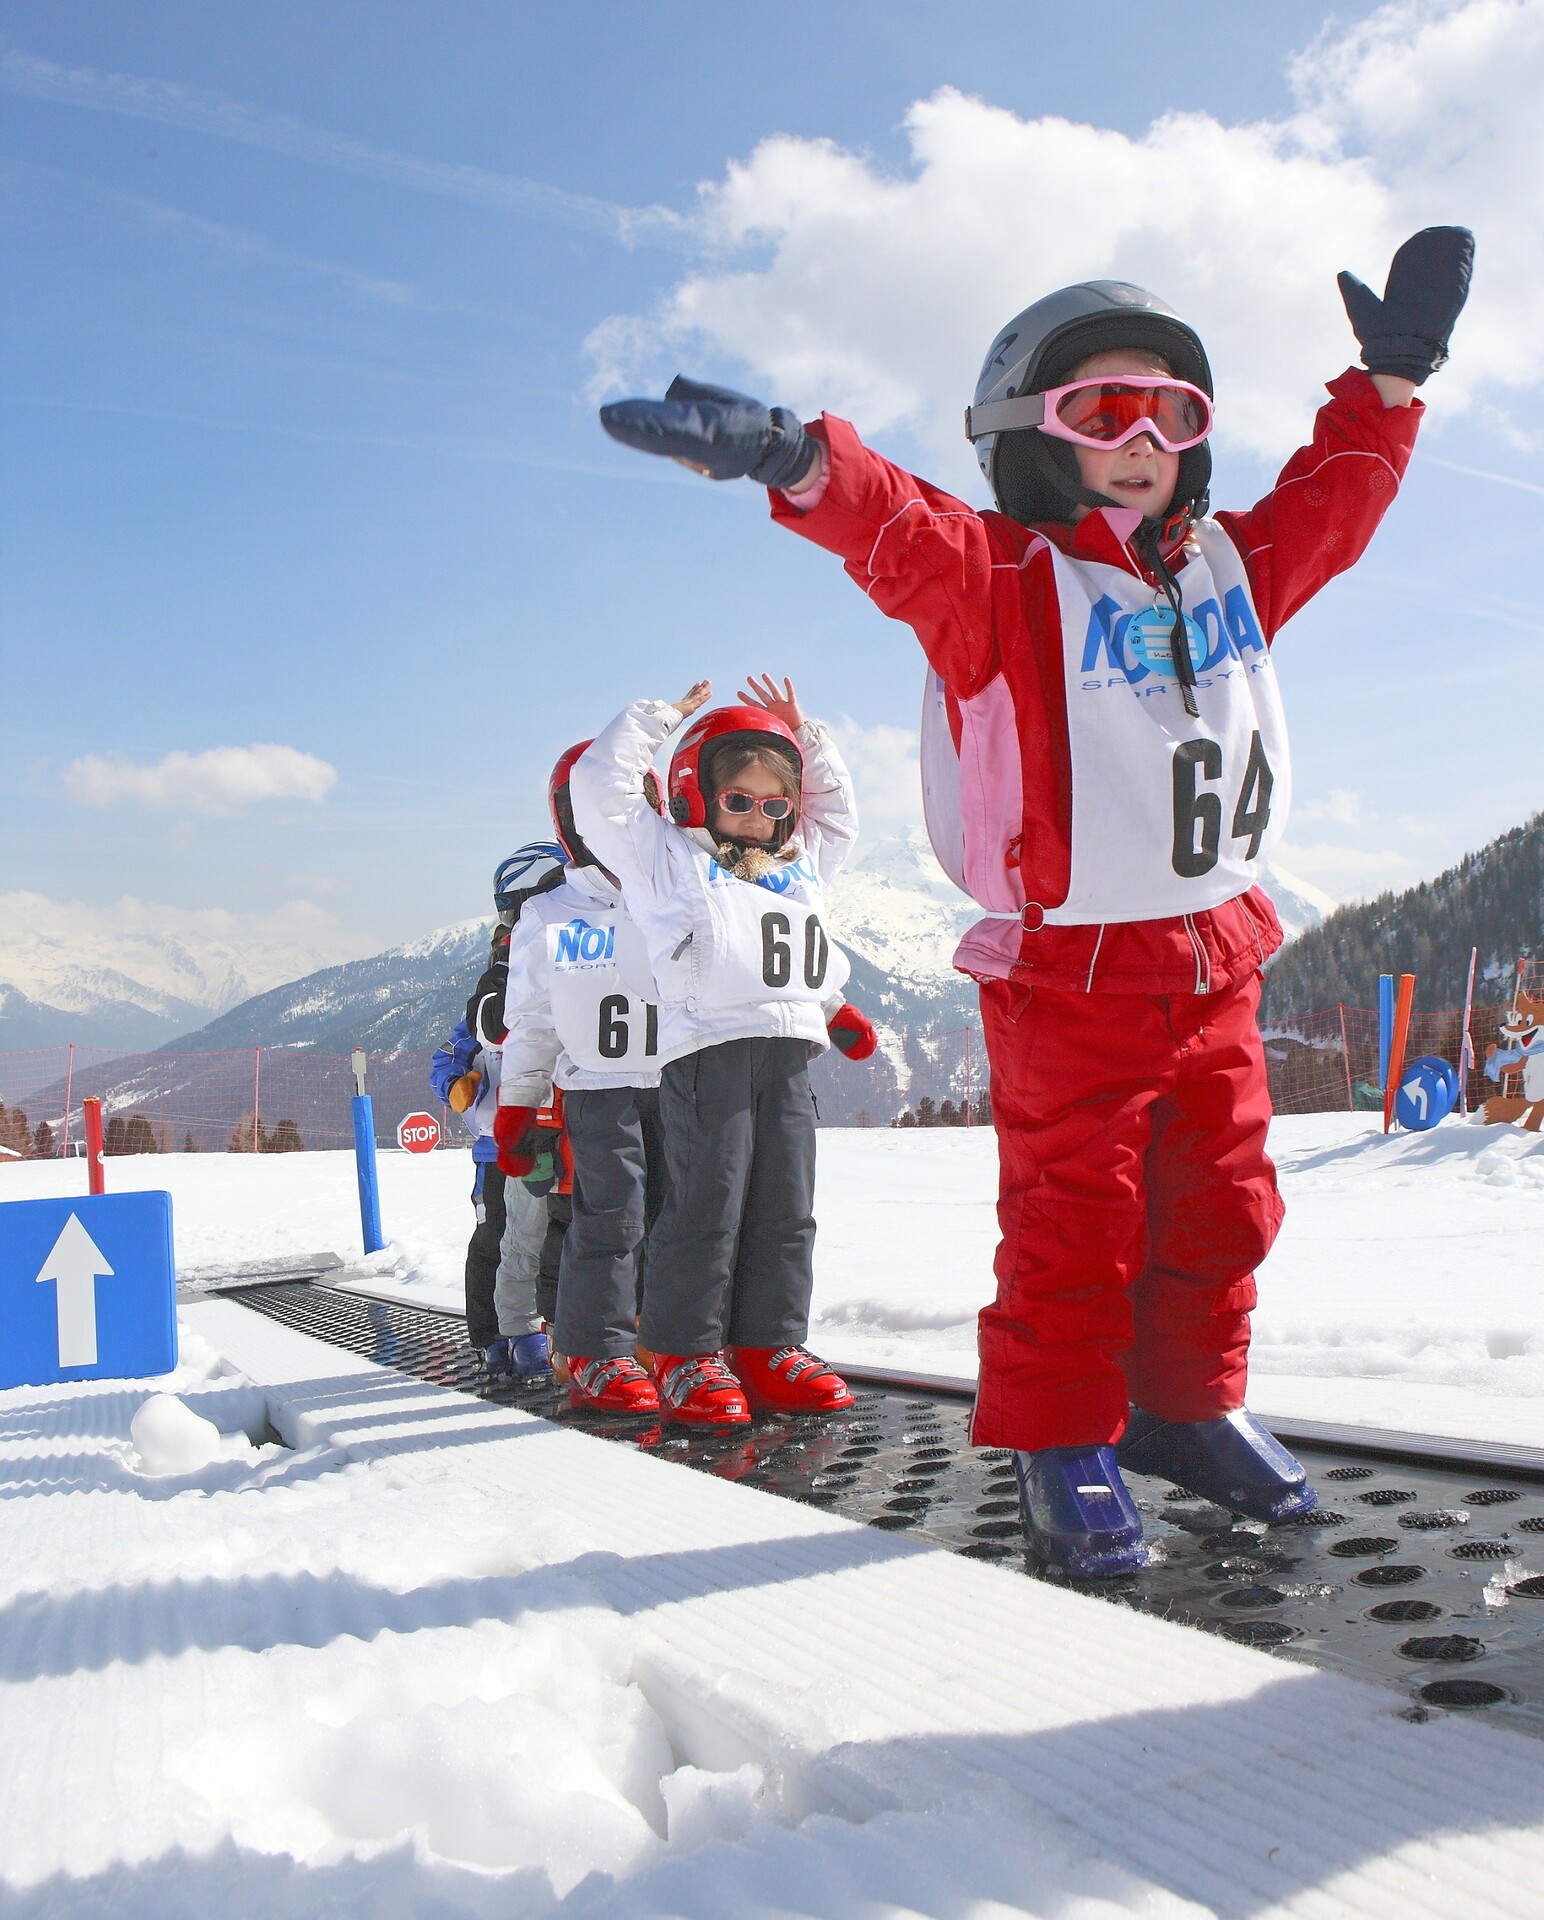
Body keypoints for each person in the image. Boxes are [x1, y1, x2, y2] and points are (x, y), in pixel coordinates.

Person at [597, 230, 1473, 1570]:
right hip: (1075, 972)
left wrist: (1391, 382)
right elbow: (897, 527)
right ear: (1030, 433)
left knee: (1226, 1204)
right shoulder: (1004, 584)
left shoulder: (1231, 566)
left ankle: (1186, 1405)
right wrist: (795, 457)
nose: (1143, 439)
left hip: (1217, 953)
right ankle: (1063, 1434)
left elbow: (1336, 501)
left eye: (1172, 412)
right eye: (1101, 410)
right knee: (1078, 1220)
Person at [568, 676, 868, 1427]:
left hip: (789, 1049)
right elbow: (600, 794)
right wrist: (659, 719)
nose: (760, 819)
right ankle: (685, 1351)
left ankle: (769, 1343)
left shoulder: (802, 863)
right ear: (696, 795)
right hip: (708, 1049)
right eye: (739, 800)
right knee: (707, 1202)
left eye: (776, 805)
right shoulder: (667, 857)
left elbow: (840, 817)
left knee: (786, 1206)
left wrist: (808, 738)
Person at [495, 743, 670, 1415]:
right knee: (610, 1219)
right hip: (597, 1089)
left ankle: (667, 1345)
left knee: (680, 1219)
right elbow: (532, 1020)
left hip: (680, 1085)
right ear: (569, 823)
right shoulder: (550, 913)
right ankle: (594, 1349)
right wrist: (519, 1103)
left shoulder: (677, 893)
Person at [431, 843, 565, 1386]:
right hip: (497, 1141)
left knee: (549, 1235)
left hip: (557, 1129)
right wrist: (454, 1085)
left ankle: (543, 1333)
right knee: (497, 1238)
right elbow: (451, 1053)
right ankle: (492, 1337)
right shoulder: (491, 994)